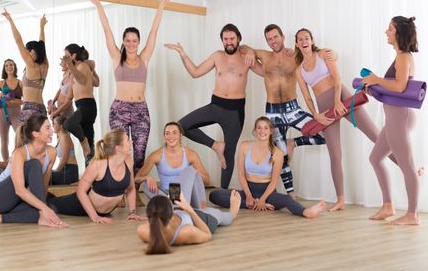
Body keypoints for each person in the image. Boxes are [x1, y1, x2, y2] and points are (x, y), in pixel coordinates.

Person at [294, 28, 398, 211]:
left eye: (307, 38)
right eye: (300, 39)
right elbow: (307, 96)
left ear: (311, 40)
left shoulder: (324, 54)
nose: (304, 41)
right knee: (335, 154)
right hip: (324, 109)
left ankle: (406, 165)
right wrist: (316, 115)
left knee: (375, 134)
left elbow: (337, 78)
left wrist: (337, 101)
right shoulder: (298, 70)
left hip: (341, 97)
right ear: (297, 44)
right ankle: (341, 200)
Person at [165, 23, 262, 188]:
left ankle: (223, 192)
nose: (229, 42)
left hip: (235, 111)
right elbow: (195, 72)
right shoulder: (217, 56)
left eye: (232, 38)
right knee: (181, 126)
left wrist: (254, 52)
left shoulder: (247, 57)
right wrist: (183, 54)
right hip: (215, 106)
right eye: (225, 39)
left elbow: (266, 73)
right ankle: (216, 146)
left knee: (229, 153)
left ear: (238, 39)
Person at [88, 0, 170, 180]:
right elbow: (107, 30)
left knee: (139, 154)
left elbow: (153, 32)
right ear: (123, 42)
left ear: (138, 42)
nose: (131, 44)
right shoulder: (117, 58)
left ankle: (133, 189)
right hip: (120, 110)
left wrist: (161, 5)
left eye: (134, 41)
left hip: (141, 110)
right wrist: (98, 5)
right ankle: (121, 190)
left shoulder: (145, 58)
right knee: (120, 153)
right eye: (128, 40)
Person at [242, 24, 327, 197]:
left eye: (275, 37)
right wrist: (250, 51)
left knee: (323, 134)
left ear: (282, 37)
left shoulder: (294, 55)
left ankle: (293, 143)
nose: (273, 41)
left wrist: (332, 54)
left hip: (293, 108)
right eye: (269, 39)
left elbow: (316, 53)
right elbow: (242, 48)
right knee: (280, 156)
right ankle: (291, 195)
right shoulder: (265, 56)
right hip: (272, 112)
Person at [362, 16, 420, 225]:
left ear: (399, 34)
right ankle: (388, 206)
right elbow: (392, 89)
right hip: (394, 117)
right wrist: (373, 88)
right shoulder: (399, 57)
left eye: (390, 29)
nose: (386, 32)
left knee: (407, 165)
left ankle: (412, 215)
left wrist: (377, 79)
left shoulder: (404, 57)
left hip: (400, 118)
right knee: (375, 158)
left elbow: (400, 87)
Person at [209, 117, 325, 217]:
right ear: (255, 131)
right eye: (259, 127)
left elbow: (274, 182)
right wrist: (249, 196)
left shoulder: (277, 153)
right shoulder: (244, 146)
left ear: (270, 131)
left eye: (265, 128)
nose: (262, 131)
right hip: (247, 191)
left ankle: (306, 212)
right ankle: (254, 205)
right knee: (215, 195)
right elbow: (241, 174)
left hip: (268, 193)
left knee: (287, 199)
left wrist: (263, 199)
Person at [0, 115, 67, 228]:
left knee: (52, 208)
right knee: (34, 164)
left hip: (16, 202)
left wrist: (45, 209)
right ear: (36, 134)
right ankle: (38, 215)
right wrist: (44, 209)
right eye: (47, 128)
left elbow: (43, 186)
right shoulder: (20, 153)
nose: (52, 131)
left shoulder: (52, 153)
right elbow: (20, 190)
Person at [49, 129, 146, 223]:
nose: (131, 142)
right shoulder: (98, 164)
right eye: (128, 140)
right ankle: (46, 198)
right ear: (118, 148)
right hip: (80, 205)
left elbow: (131, 188)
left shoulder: (128, 161)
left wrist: (132, 213)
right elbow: (80, 191)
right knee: (52, 204)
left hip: (105, 212)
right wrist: (94, 217)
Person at [135, 122, 210, 208]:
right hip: (165, 194)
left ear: (180, 136)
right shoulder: (156, 155)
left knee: (193, 174)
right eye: (167, 133)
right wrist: (147, 178)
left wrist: (192, 173)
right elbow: (136, 179)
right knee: (145, 184)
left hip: (184, 193)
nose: (171, 136)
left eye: (174, 133)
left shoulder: (190, 154)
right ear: (164, 136)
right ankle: (173, 205)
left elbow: (207, 180)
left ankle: (177, 206)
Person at [137, 191, 241, 253]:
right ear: (171, 215)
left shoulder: (142, 231)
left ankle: (200, 203)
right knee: (224, 216)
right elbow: (208, 235)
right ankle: (233, 211)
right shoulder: (187, 231)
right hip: (203, 219)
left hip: (183, 212)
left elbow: (156, 219)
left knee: (191, 174)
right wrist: (189, 209)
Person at [2, 9, 48, 123]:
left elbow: (18, 41)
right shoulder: (45, 65)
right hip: (41, 108)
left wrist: (10, 21)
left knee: (24, 140)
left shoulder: (31, 65)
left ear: (32, 51)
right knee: (39, 140)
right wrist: (42, 27)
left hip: (30, 108)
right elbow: (42, 44)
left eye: (27, 51)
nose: (26, 53)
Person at [61, 44, 98, 163]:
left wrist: (91, 68)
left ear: (74, 55)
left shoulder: (83, 66)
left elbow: (82, 80)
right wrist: (56, 110)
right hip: (80, 105)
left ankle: (84, 142)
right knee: (89, 147)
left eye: (67, 56)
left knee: (68, 124)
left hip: (87, 105)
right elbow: (69, 97)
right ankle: (91, 175)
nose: (65, 58)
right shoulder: (74, 72)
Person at [0, 59, 23, 161]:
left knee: (21, 139)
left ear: (14, 67)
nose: (9, 67)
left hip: (16, 114)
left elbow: (25, 101)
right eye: (7, 66)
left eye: (11, 65)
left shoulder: (20, 83)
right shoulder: (1, 83)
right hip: (2, 115)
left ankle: (16, 161)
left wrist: (12, 101)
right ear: (4, 68)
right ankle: (6, 165)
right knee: (4, 142)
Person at [50, 115, 78, 185]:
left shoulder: (65, 137)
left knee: (44, 176)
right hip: (64, 170)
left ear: (61, 126)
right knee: (43, 174)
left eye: (54, 124)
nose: (52, 126)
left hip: (70, 172)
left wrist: (55, 171)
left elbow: (64, 160)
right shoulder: (61, 137)